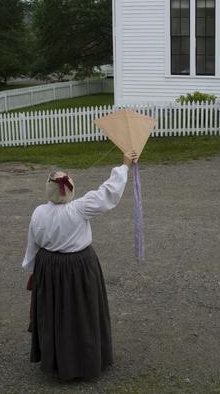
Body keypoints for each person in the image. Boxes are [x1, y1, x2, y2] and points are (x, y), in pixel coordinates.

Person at [22, 150, 138, 380]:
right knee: (82, 314)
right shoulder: (79, 208)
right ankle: (83, 361)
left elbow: (32, 244)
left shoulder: (38, 212)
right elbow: (108, 193)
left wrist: (35, 269)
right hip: (79, 268)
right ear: (70, 189)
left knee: (56, 314)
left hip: (49, 268)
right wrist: (125, 165)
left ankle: (60, 360)